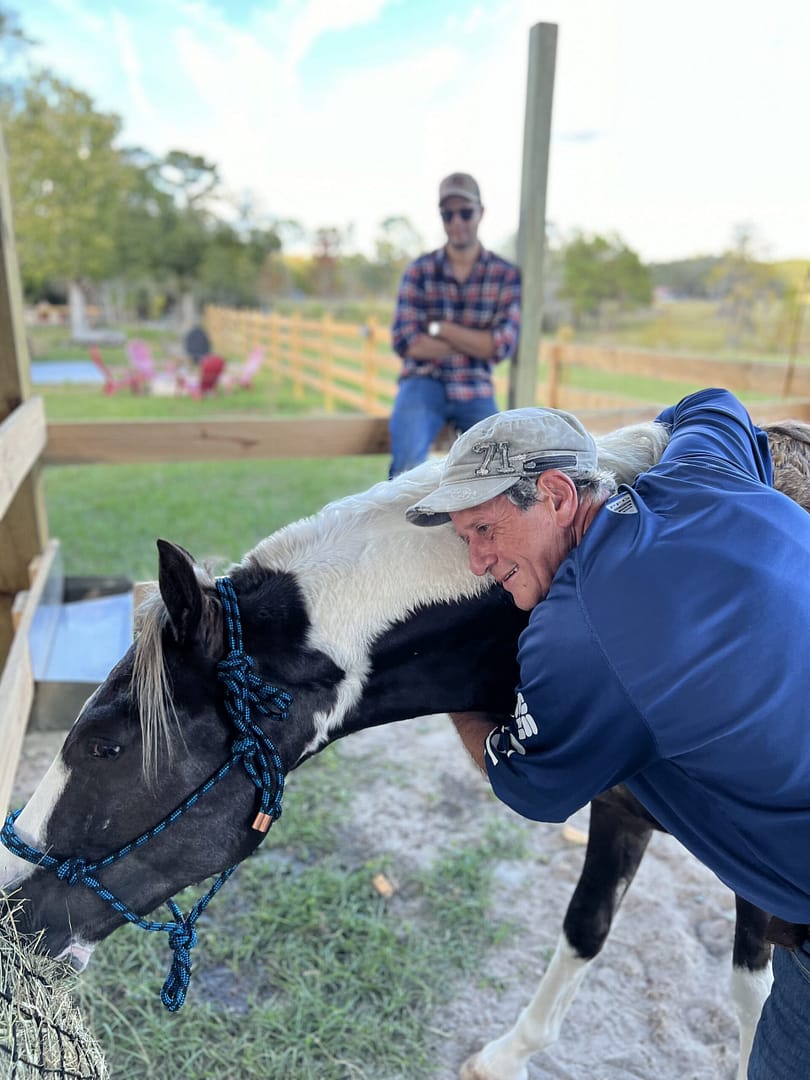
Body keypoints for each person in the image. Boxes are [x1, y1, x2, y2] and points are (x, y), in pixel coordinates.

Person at [406, 388, 810, 1077]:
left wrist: (457, 697)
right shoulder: (698, 473)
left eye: (484, 530)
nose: (476, 561)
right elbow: (711, 404)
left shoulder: (578, 633)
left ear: (560, 496)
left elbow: (525, 785)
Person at [388, 172, 521, 478]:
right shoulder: (419, 272)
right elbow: (407, 341)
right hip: (421, 382)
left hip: (475, 386)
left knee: (498, 469)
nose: (456, 222)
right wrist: (474, 343)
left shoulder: (505, 275)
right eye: (448, 215)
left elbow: (498, 346)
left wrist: (441, 328)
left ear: (480, 213)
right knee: (406, 470)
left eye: (465, 212)